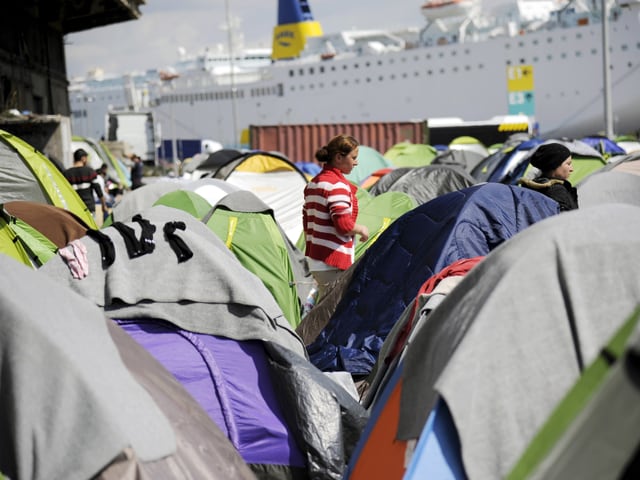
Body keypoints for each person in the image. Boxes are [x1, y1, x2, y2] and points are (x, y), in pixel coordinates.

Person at [302, 134, 369, 301]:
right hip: (332, 261)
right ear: (339, 157)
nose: (356, 162)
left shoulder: (313, 184)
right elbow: (343, 225)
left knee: (325, 309)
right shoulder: (336, 185)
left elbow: (307, 220)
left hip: (316, 261)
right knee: (334, 313)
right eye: (353, 158)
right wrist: (361, 229)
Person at [518, 143, 579, 211]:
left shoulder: (532, 186)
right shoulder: (557, 190)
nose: (571, 169)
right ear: (554, 165)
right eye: (568, 164)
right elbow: (565, 218)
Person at [64, 148, 107, 219]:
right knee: (90, 229)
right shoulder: (89, 171)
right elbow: (98, 189)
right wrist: (103, 205)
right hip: (88, 208)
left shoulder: (66, 173)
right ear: (83, 158)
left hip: (74, 210)